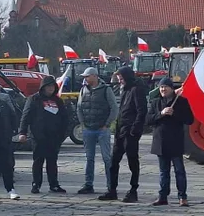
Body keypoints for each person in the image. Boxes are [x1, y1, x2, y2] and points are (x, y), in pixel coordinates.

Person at [100, 65, 147, 203]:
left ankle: (133, 190)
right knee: (113, 162)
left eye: (121, 78)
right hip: (120, 132)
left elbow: (141, 111)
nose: (119, 80)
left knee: (133, 161)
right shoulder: (125, 90)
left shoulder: (136, 90)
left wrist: (135, 130)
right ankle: (112, 190)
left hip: (130, 133)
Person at [19, 75, 69, 194]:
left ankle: (54, 184)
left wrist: (63, 134)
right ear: (43, 87)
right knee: (38, 161)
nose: (51, 89)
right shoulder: (33, 99)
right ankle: (36, 184)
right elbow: (25, 117)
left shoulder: (58, 100)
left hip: (54, 137)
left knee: (52, 162)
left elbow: (65, 118)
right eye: (48, 87)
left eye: (53, 86)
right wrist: (23, 132)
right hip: (38, 137)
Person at [148, 77, 194, 206]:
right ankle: (163, 196)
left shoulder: (181, 102)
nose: (163, 89)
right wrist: (161, 114)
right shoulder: (155, 102)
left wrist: (175, 114)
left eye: (165, 87)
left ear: (171, 88)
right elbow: (148, 120)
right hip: (160, 142)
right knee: (163, 172)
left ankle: (182, 197)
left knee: (179, 170)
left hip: (175, 141)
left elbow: (190, 120)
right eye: (161, 87)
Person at [76, 67, 118, 195]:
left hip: (102, 129)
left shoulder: (106, 89)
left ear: (94, 76)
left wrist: (107, 124)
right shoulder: (83, 90)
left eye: (87, 76)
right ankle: (88, 184)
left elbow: (114, 108)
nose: (85, 79)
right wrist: (82, 124)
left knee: (106, 158)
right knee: (89, 158)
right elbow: (79, 108)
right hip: (88, 129)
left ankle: (111, 185)